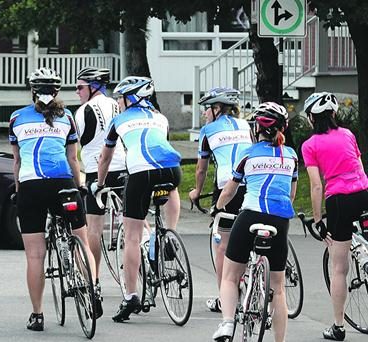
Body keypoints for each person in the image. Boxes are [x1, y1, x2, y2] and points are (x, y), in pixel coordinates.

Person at [8, 67, 101, 331]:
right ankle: (93, 290)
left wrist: (18, 191)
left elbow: (17, 161)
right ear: (57, 91)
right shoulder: (67, 117)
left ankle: (37, 315)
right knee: (81, 240)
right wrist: (79, 186)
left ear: (32, 90)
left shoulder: (16, 118)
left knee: (35, 256)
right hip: (63, 183)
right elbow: (73, 159)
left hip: (31, 186)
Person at [96, 76, 182, 322]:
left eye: (120, 98)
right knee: (172, 188)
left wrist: (99, 184)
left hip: (140, 173)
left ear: (131, 98)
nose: (118, 103)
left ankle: (131, 295)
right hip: (171, 170)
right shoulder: (161, 118)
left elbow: (105, 158)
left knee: (132, 237)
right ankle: (169, 235)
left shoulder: (118, 121)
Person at [211, 102, 296, 342]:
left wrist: (216, 208)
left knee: (229, 276)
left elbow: (229, 191)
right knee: (278, 289)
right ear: (284, 128)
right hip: (279, 220)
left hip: (250, 215)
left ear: (255, 129)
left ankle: (227, 324)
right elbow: (290, 194)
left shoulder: (247, 153)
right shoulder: (291, 156)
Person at [301, 92, 368, 341]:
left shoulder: (310, 145)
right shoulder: (348, 135)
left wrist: (318, 221)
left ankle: (338, 327)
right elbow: (360, 168)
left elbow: (317, 186)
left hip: (339, 200)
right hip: (364, 193)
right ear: (333, 114)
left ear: (311, 118)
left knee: (339, 268)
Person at [188, 87, 253, 313]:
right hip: (251, 184)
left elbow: (201, 169)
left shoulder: (207, 131)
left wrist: (196, 192)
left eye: (207, 109)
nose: (206, 114)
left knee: (222, 246)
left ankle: (224, 298)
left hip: (227, 187)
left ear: (217, 109)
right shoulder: (246, 125)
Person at [74, 67, 127, 276]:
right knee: (133, 221)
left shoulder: (83, 111)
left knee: (94, 228)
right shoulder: (117, 105)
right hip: (122, 166)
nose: (77, 92)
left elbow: (79, 142)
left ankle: (93, 278)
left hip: (98, 172)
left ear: (93, 87)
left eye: (80, 87)